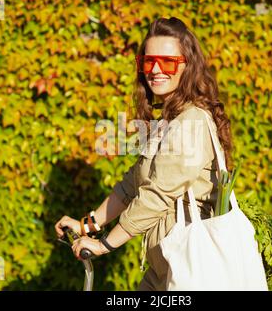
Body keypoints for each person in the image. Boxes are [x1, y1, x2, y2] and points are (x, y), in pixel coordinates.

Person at [55, 17, 234, 291]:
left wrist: (104, 245)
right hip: (163, 265)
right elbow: (131, 186)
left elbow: (157, 196)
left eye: (168, 62)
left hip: (192, 269)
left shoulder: (192, 121)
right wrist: (87, 225)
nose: (156, 70)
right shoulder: (169, 120)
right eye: (149, 62)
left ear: (188, 66)